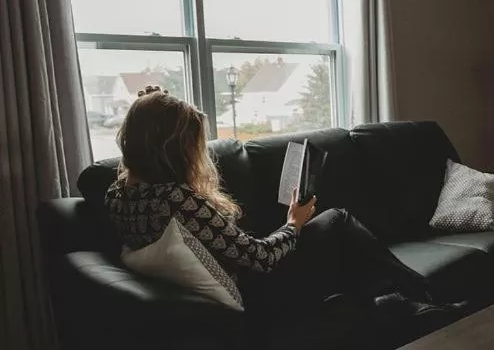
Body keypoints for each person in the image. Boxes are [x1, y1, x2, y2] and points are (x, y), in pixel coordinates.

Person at [104, 86, 431, 318]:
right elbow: (260, 258)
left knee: (344, 249)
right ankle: (423, 296)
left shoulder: (119, 194)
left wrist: (149, 105)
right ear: (172, 151)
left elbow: (145, 134)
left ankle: (394, 306)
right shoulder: (178, 200)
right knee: (338, 222)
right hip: (259, 292)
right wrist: (294, 223)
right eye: (192, 146)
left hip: (246, 275)